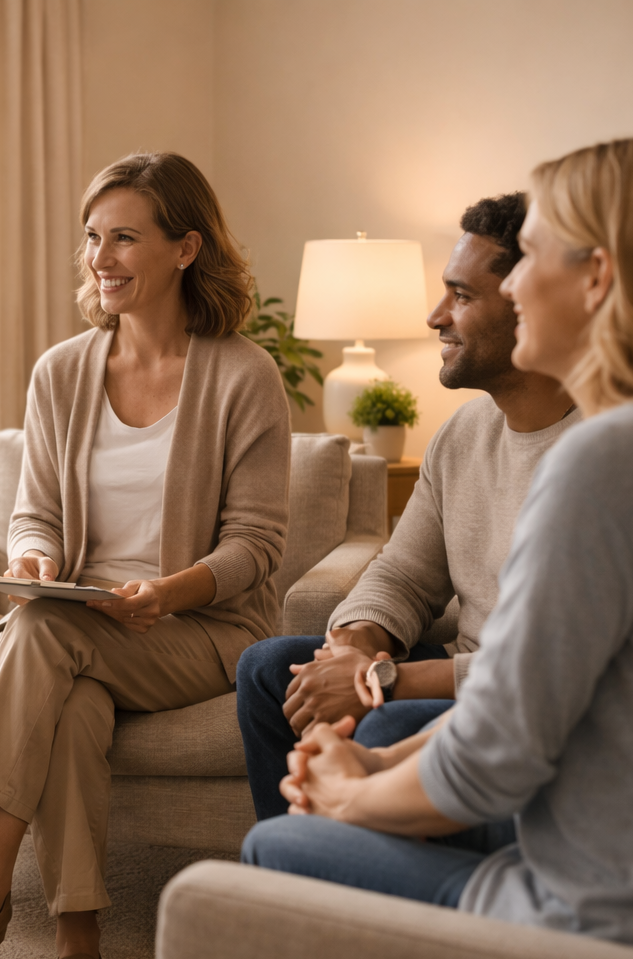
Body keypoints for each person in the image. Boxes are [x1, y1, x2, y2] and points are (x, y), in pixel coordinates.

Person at [242, 137, 633, 951]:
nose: (513, 282)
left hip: (592, 913)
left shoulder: (613, 459)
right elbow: (529, 696)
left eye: (531, 257)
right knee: (291, 695)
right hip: (628, 854)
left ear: (597, 278)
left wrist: (350, 795)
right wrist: (373, 757)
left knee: (276, 847)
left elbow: (496, 758)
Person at [0, 152, 291, 959]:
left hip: (200, 626)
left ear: (185, 249)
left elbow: (258, 547)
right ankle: (79, 952)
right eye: (91, 236)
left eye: (124, 237)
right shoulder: (63, 371)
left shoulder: (243, 375)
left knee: (43, 637)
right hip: (78, 615)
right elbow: (33, 512)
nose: (99, 257)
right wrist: (37, 561)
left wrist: (174, 590)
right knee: (69, 694)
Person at [235, 193, 580, 820]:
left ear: (529, 304)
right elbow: (403, 574)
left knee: (381, 731)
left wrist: (380, 681)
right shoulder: (463, 434)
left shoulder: (603, 456)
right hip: (455, 671)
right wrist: (353, 648)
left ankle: (343, 886)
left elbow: (560, 667)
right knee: (267, 669)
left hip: (518, 700)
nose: (434, 316)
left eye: (463, 296)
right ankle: (297, 880)